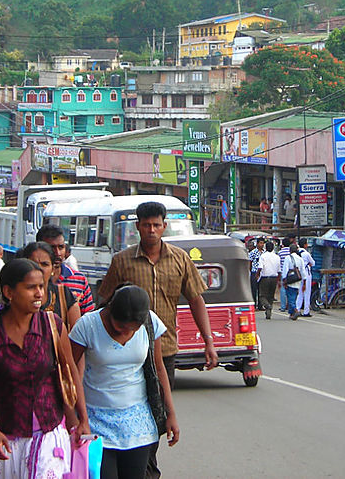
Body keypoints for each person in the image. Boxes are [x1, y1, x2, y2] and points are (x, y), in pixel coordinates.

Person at [96, 201, 216, 479]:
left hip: (165, 352)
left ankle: (146, 465)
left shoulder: (180, 259)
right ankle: (144, 469)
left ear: (164, 226)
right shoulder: (122, 261)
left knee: (158, 412)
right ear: (137, 226)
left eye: (156, 225)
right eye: (146, 225)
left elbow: (196, 299)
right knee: (132, 410)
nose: (151, 230)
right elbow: (105, 304)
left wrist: (208, 341)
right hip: (126, 353)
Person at [0, 258, 89, 478]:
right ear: (9, 292)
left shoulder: (52, 325)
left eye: (41, 287)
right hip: (6, 439)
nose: (39, 294)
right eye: (31, 288)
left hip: (48, 437)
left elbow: (70, 371)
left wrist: (83, 420)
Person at [70, 285, 179, 479]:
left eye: (132, 329)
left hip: (138, 424)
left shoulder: (150, 322)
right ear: (110, 310)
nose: (125, 332)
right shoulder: (87, 326)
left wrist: (170, 413)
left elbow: (159, 368)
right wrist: (78, 418)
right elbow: (69, 371)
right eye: (120, 326)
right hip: (96, 422)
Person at [21, 241, 81, 331]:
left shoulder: (64, 295)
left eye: (44, 264)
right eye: (33, 263)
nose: (39, 268)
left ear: (53, 269)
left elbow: (76, 337)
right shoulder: (14, 297)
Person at [36, 225, 95, 314]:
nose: (57, 253)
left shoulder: (79, 280)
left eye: (61, 247)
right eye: (52, 248)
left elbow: (87, 318)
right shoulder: (29, 280)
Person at [256, 241, 281, 320]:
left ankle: (267, 306)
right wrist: (278, 280)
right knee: (270, 296)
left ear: (265, 248)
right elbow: (279, 270)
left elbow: (260, 267)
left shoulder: (263, 256)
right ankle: (268, 312)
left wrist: (257, 275)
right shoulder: (277, 257)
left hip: (265, 278)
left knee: (262, 295)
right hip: (274, 278)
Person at [280, 244, 304, 320]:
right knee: (294, 297)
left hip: (290, 280)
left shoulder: (288, 258)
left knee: (290, 297)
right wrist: (304, 281)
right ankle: (291, 313)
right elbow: (303, 271)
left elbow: (285, 270)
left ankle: (295, 310)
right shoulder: (300, 259)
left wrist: (284, 280)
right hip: (297, 280)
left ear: (290, 250)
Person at [296, 244, 315, 317]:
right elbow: (313, 263)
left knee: (300, 293)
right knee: (307, 293)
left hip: (299, 274)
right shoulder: (306, 254)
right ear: (305, 245)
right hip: (306, 274)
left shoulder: (297, 253)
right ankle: (306, 311)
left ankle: (297, 309)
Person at [248, 238, 265, 310]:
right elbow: (250, 262)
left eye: (263, 243)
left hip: (262, 272)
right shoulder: (253, 252)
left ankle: (260, 305)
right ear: (257, 244)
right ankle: (254, 305)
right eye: (260, 243)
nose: (262, 245)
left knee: (261, 290)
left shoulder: (264, 253)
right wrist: (251, 271)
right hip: (254, 272)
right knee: (254, 289)